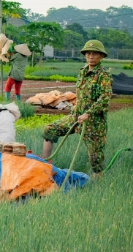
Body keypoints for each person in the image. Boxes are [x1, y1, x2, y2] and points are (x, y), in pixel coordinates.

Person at [41, 40, 113, 174]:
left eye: (94, 54)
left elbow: (104, 99)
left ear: (101, 56)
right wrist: (75, 107)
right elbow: (81, 95)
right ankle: (45, 166)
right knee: (49, 130)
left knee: (95, 158)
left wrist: (88, 113)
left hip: (93, 123)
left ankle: (99, 184)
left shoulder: (103, 75)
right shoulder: (82, 72)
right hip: (76, 117)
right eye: (88, 53)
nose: (90, 56)